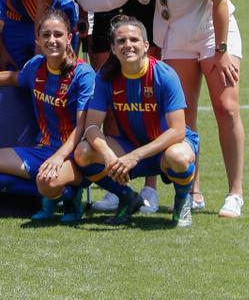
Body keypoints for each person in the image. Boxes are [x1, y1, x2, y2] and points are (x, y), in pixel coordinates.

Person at [133, 0, 244, 218]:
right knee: (183, 116)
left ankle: (235, 193)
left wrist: (222, 52)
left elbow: (220, 1)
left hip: (213, 33)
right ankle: (193, 190)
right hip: (174, 36)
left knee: (226, 107)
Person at [0, 9, 95, 223]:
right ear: (38, 40)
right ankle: (59, 193)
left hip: (73, 154)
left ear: (69, 38)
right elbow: (12, 78)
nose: (52, 40)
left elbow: (82, 126)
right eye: (46, 35)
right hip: (40, 151)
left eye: (58, 35)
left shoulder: (83, 73)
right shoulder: (35, 67)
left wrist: (59, 157)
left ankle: (71, 193)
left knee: (47, 182)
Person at [74, 15, 199, 227]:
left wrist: (135, 156)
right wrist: (108, 156)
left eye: (134, 40)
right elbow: (92, 127)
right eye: (121, 41)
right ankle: (127, 197)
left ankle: (182, 200)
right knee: (83, 153)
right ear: (113, 48)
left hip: (166, 147)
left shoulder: (164, 74)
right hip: (131, 145)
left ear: (146, 45)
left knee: (178, 157)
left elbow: (177, 131)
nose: (128, 45)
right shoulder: (105, 76)